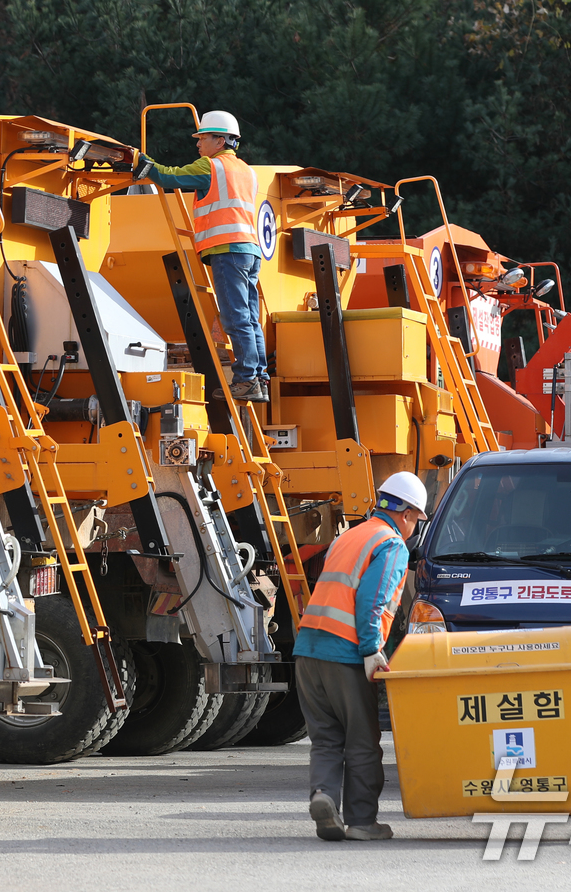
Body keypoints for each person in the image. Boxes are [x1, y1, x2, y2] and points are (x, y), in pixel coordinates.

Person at [293, 472, 427, 842]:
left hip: (307, 650)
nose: (414, 528)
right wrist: (371, 649)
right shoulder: (391, 544)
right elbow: (374, 599)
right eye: (416, 519)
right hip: (347, 653)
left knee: (325, 740)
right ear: (407, 515)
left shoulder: (349, 536)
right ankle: (362, 822)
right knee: (363, 741)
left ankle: (323, 796)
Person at [135, 110, 267, 403]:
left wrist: (143, 164)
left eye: (202, 138)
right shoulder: (248, 170)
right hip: (249, 250)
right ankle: (259, 378)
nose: (198, 145)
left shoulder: (211, 167)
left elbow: (169, 176)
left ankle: (246, 379)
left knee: (235, 318)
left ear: (220, 140)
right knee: (250, 319)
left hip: (227, 250)